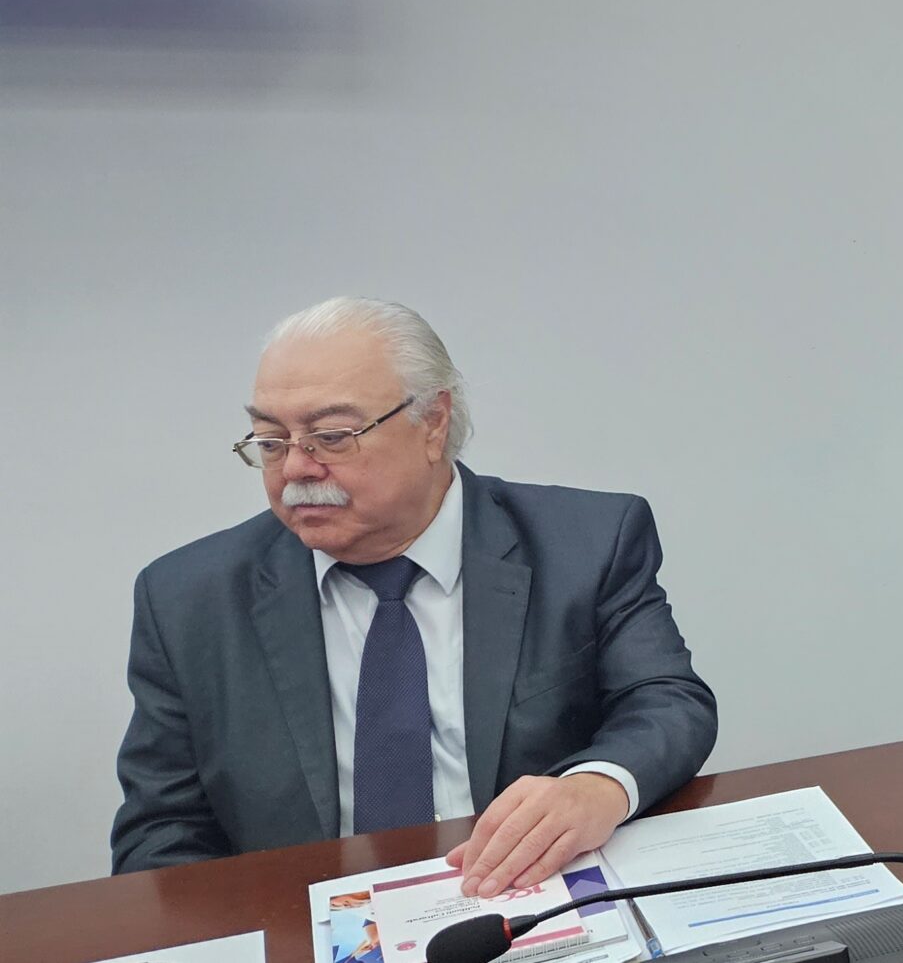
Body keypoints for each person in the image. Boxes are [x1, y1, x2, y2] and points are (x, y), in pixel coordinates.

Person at [112, 297, 717, 902]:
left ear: (432, 423)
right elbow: (161, 833)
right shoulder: (187, 600)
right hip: (307, 923)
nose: (296, 468)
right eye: (271, 441)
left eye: (330, 437)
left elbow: (667, 701)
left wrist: (595, 788)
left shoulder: (586, 542)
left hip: (535, 903)